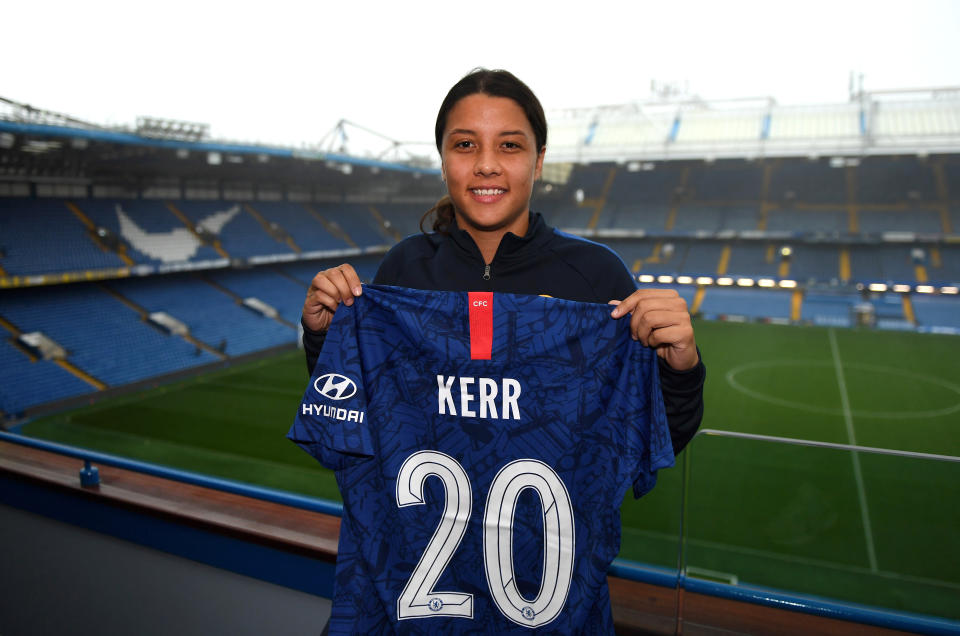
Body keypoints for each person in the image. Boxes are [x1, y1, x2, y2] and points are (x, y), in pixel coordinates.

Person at [301, 68, 704, 455]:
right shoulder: (404, 268)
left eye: (509, 145)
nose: (487, 164)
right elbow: (357, 421)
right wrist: (324, 337)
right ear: (443, 161)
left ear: (539, 160)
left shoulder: (597, 275)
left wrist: (679, 371)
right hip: (417, 522)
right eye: (464, 145)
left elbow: (651, 441)